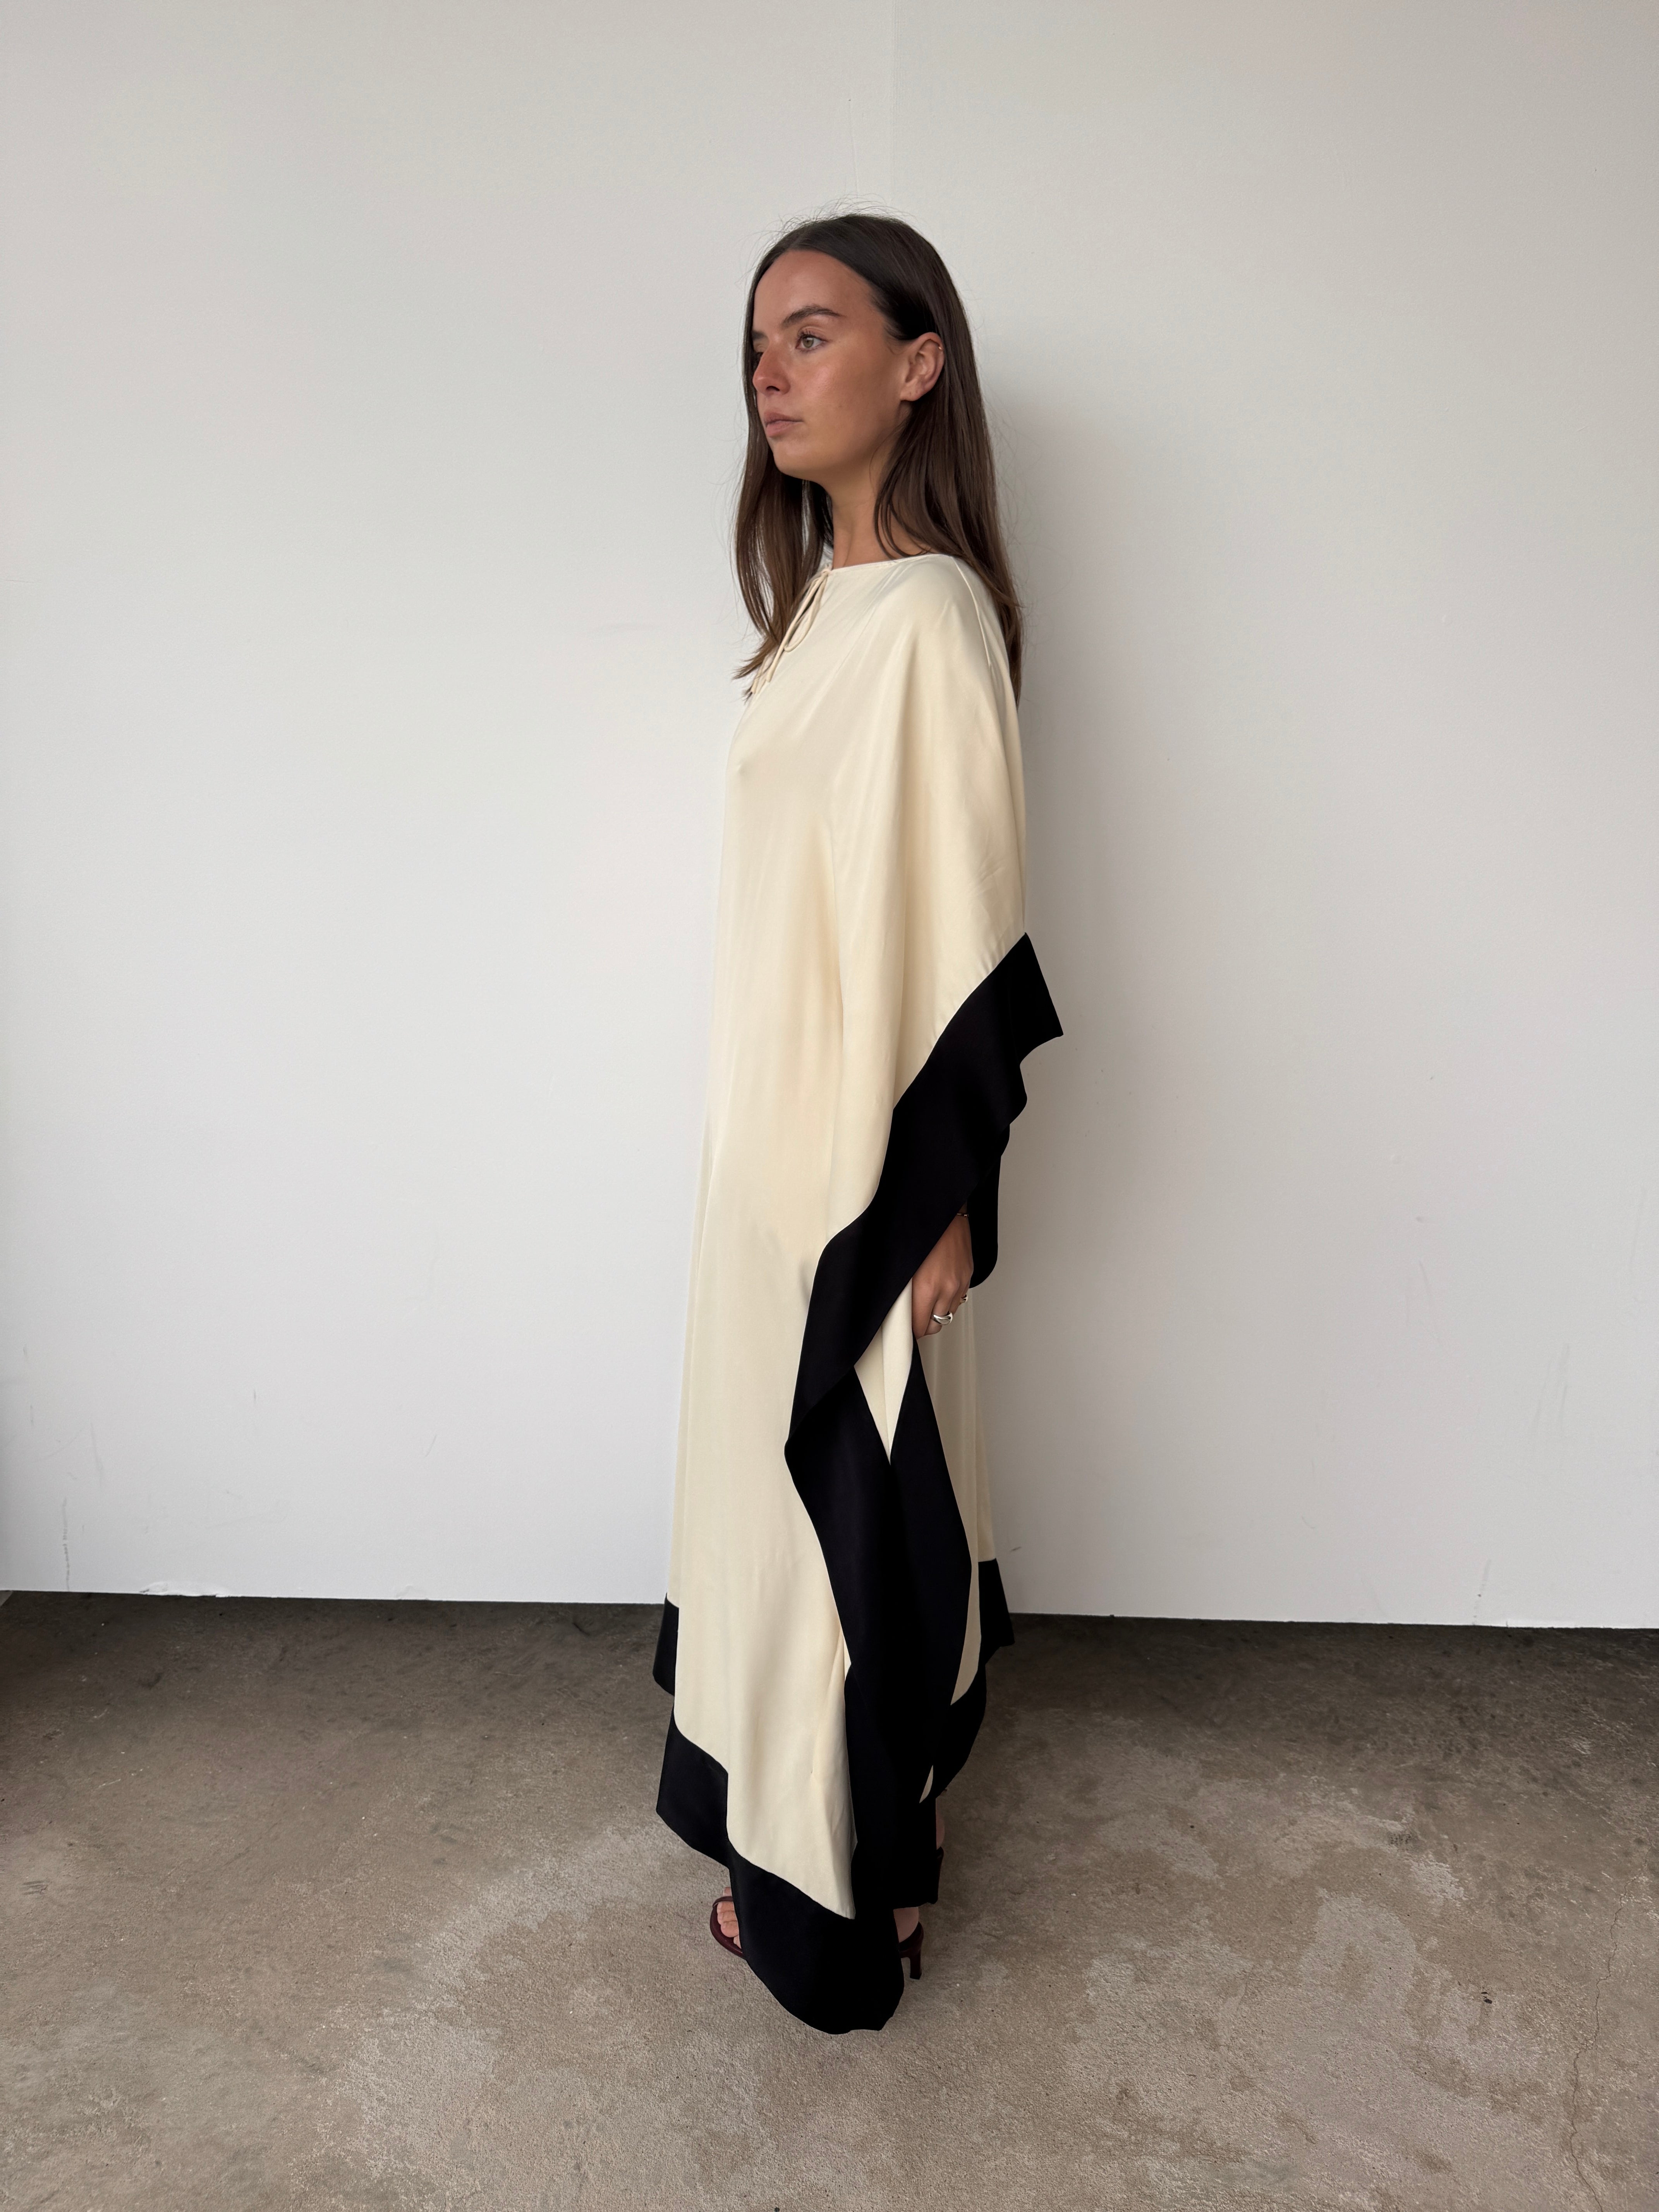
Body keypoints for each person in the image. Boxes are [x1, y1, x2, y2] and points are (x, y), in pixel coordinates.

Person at [651, 212, 1061, 2035]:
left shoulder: (930, 619)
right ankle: (849, 1850)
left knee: (854, 1520)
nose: (772, 370)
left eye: (813, 333)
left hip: (862, 1180)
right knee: (786, 1522)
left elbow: (966, 919)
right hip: (769, 1165)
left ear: (919, 363)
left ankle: (851, 1909)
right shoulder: (821, 608)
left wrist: (944, 1197)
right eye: (759, 342)